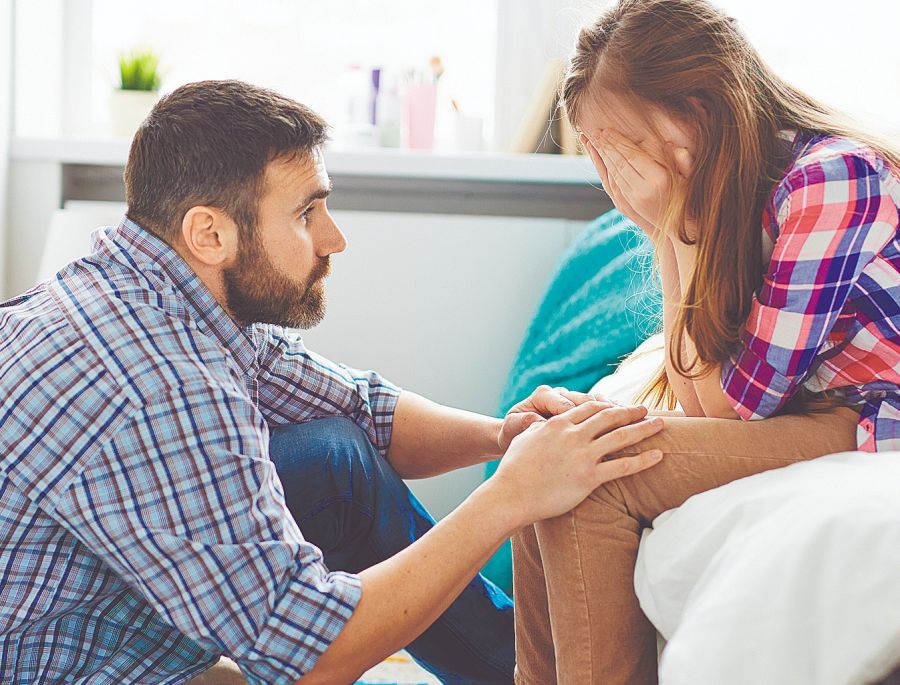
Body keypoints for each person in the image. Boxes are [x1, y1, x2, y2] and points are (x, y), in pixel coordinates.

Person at [0, 79, 666, 685]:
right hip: (56, 658)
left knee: (336, 456)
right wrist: (508, 499)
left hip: (85, 591)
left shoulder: (151, 288)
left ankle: (516, 671)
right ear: (209, 232)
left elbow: (363, 409)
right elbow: (309, 657)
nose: (334, 238)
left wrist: (505, 437)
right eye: (305, 213)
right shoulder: (165, 388)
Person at [512, 0, 900, 683]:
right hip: (822, 411)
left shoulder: (830, 181)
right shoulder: (739, 192)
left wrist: (673, 223)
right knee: (544, 454)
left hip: (874, 416)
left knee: (587, 478)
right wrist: (668, 229)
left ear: (694, 111)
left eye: (617, 144)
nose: (610, 175)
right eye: (597, 151)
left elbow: (731, 407)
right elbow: (696, 392)